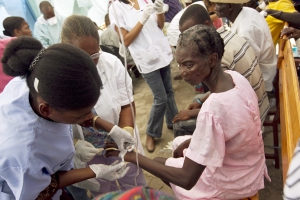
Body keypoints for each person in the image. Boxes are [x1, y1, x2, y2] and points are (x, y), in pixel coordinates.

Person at [107, 24, 270, 199]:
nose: (182, 72)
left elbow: (186, 179)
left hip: (234, 182)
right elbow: (232, 128)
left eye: (189, 65)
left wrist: (133, 157)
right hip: (249, 167)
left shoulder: (213, 108)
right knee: (179, 144)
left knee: (158, 162)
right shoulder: (234, 77)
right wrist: (192, 142)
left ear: (212, 59)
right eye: (179, 64)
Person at [0, 36, 134, 199]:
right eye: (80, 116)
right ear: (46, 110)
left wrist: (111, 128)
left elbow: (76, 112)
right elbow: (39, 191)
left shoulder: (38, 80)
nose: (90, 117)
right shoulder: (24, 152)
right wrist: (93, 171)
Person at [60, 15, 146, 197]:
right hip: (88, 150)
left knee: (133, 180)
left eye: (95, 55)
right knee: (104, 189)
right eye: (83, 56)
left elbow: (126, 104)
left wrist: (126, 131)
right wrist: (74, 144)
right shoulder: (57, 75)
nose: (90, 62)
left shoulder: (112, 64)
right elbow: (54, 122)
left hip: (116, 141)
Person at [172, 4, 269, 137]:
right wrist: (200, 102)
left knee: (180, 126)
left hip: (251, 117)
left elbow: (227, 104)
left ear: (206, 25)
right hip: (259, 102)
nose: (188, 40)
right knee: (197, 99)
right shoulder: (228, 35)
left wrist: (192, 113)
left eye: (192, 33)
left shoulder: (218, 56)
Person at [109, 0, 178, 152]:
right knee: (161, 98)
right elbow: (125, 40)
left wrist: (159, 12)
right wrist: (142, 20)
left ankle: (175, 122)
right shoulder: (116, 8)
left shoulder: (144, 0)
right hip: (146, 59)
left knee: (169, 92)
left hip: (161, 53)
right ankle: (151, 133)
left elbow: (159, 26)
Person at [213, 0, 277, 93]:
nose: (215, 8)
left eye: (219, 4)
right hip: (262, 71)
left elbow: (248, 67)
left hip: (261, 82)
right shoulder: (247, 11)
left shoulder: (245, 31)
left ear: (230, 6)